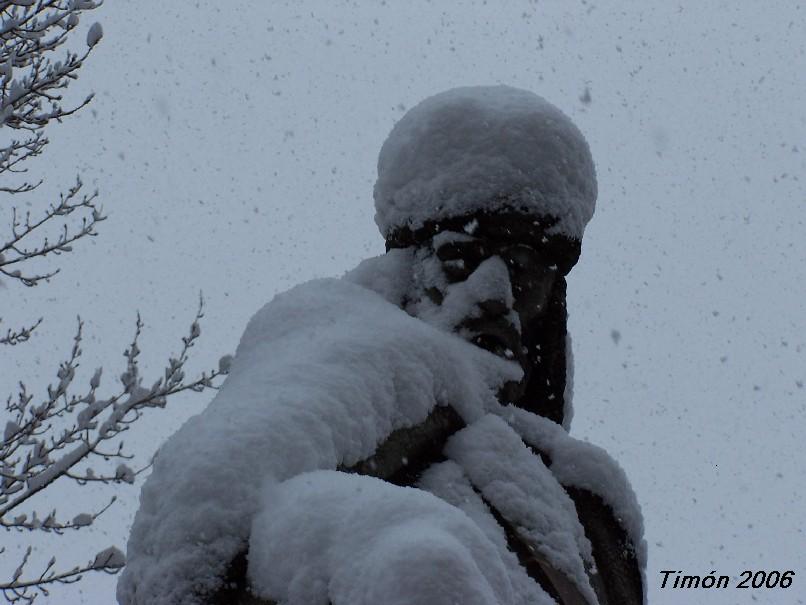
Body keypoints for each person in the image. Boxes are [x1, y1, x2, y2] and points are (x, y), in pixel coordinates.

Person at [118, 86, 645, 605]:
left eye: (525, 270)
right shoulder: (331, 347)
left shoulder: (589, 504)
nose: (493, 294)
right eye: (460, 255)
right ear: (407, 269)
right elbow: (186, 550)